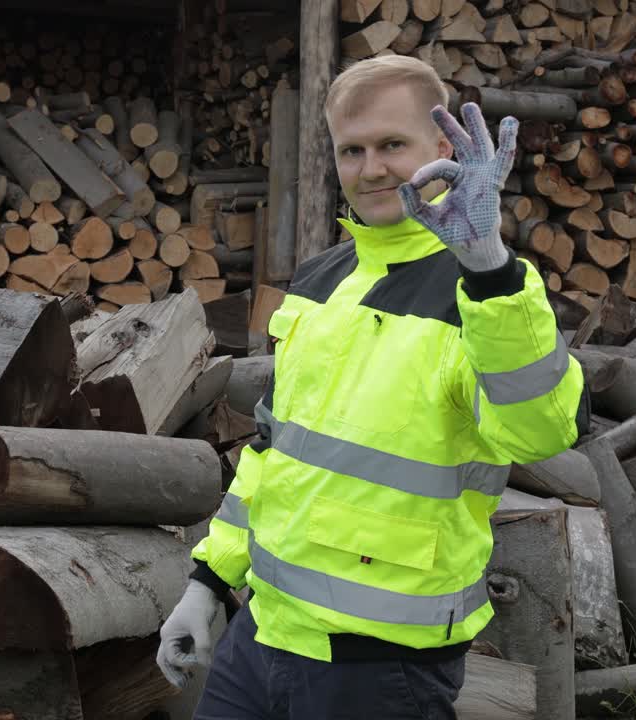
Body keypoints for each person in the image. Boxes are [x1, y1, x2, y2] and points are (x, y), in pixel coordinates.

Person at [155, 54, 588, 720]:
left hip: (379, 669)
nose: (372, 168)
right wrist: (209, 584)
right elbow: (277, 453)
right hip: (262, 636)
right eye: (351, 150)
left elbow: (540, 429)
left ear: (443, 149)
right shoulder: (323, 278)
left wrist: (490, 268)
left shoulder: (480, 291)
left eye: (392, 144)